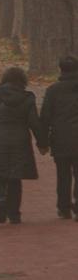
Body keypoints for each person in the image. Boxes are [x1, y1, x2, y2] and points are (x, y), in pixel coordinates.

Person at [0, 66, 46, 225]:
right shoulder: (27, 98)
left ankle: (0, 201)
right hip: (20, 141)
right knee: (15, 179)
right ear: (22, 81)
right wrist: (43, 143)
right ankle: (14, 214)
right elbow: (34, 123)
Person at [39, 55, 78, 218]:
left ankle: (63, 208)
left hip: (60, 138)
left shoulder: (53, 90)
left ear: (60, 69)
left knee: (63, 175)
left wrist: (42, 142)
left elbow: (45, 117)